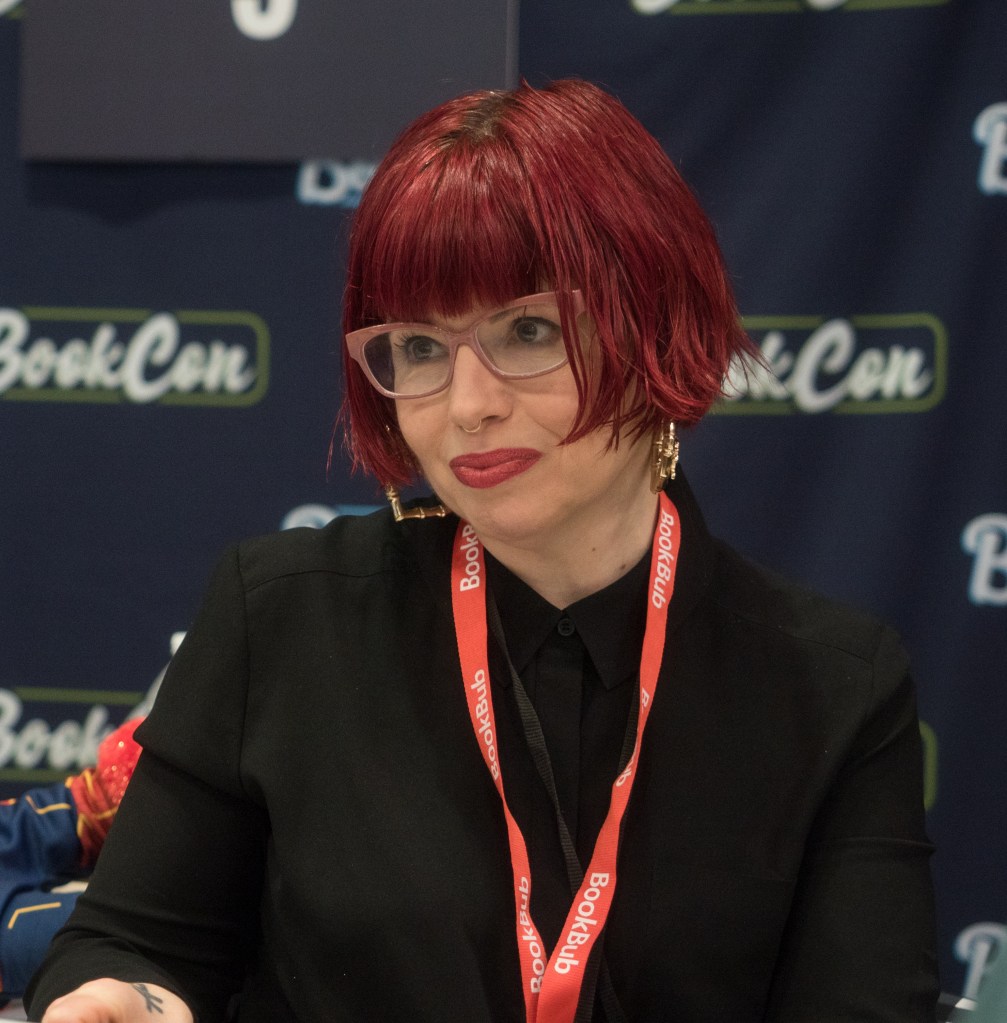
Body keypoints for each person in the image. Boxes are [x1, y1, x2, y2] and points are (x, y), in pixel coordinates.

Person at [26, 79, 938, 1022]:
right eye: (419, 347)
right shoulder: (282, 616)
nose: (466, 404)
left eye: (527, 330)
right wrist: (123, 997)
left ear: (655, 319)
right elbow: (133, 938)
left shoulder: (830, 685)